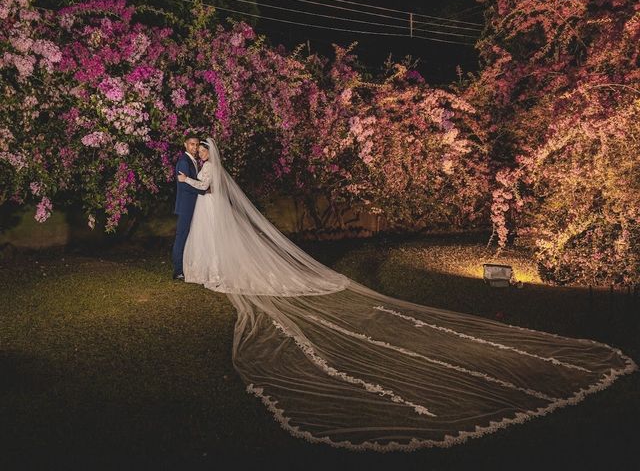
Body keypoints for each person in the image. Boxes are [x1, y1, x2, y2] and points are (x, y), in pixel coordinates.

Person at [175, 137, 637, 451]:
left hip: (209, 212)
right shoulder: (207, 164)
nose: (197, 150)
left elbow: (203, 187)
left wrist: (186, 180)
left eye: (200, 146)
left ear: (206, 150)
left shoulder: (208, 168)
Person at [171, 134, 206, 280]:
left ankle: (188, 265)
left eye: (197, 144)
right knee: (181, 236)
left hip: (192, 204)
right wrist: (203, 190)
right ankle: (178, 270)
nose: (195, 147)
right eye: (192, 144)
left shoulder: (193, 161)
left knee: (190, 235)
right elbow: (184, 185)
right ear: (185, 145)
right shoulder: (184, 161)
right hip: (186, 205)